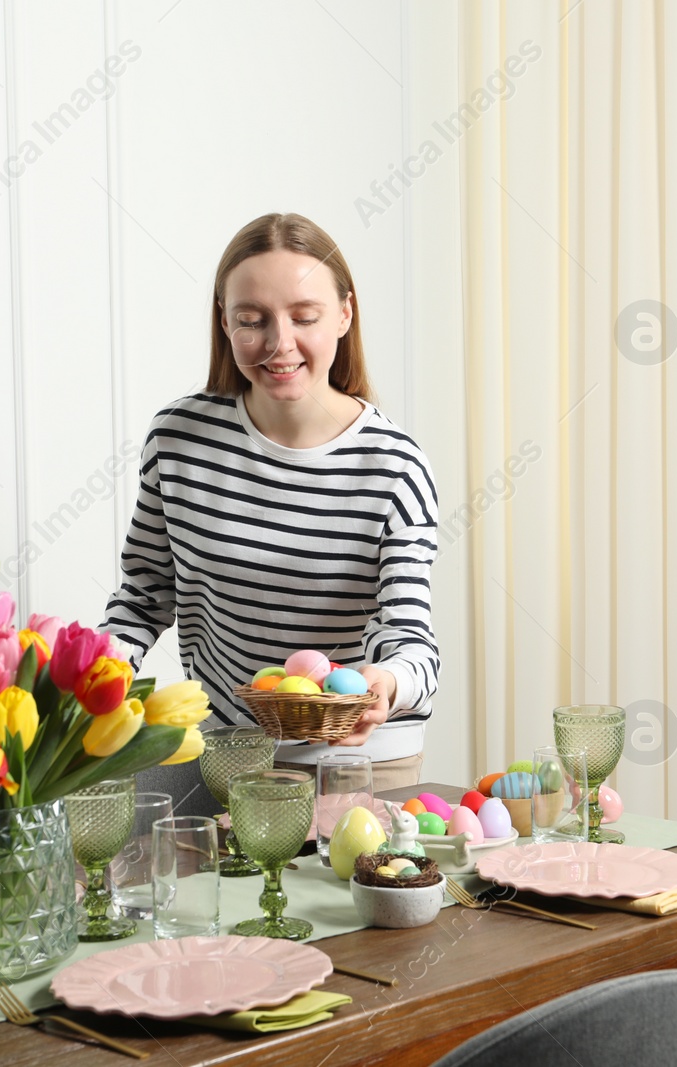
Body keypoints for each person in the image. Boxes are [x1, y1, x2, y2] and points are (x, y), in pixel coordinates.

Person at [99, 212, 440, 792]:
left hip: (361, 761)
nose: (280, 344)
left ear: (345, 315)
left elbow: (410, 638)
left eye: (304, 317)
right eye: (252, 320)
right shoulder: (178, 441)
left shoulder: (393, 466)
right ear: (225, 323)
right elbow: (144, 593)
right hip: (230, 754)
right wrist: (90, 679)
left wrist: (383, 684)